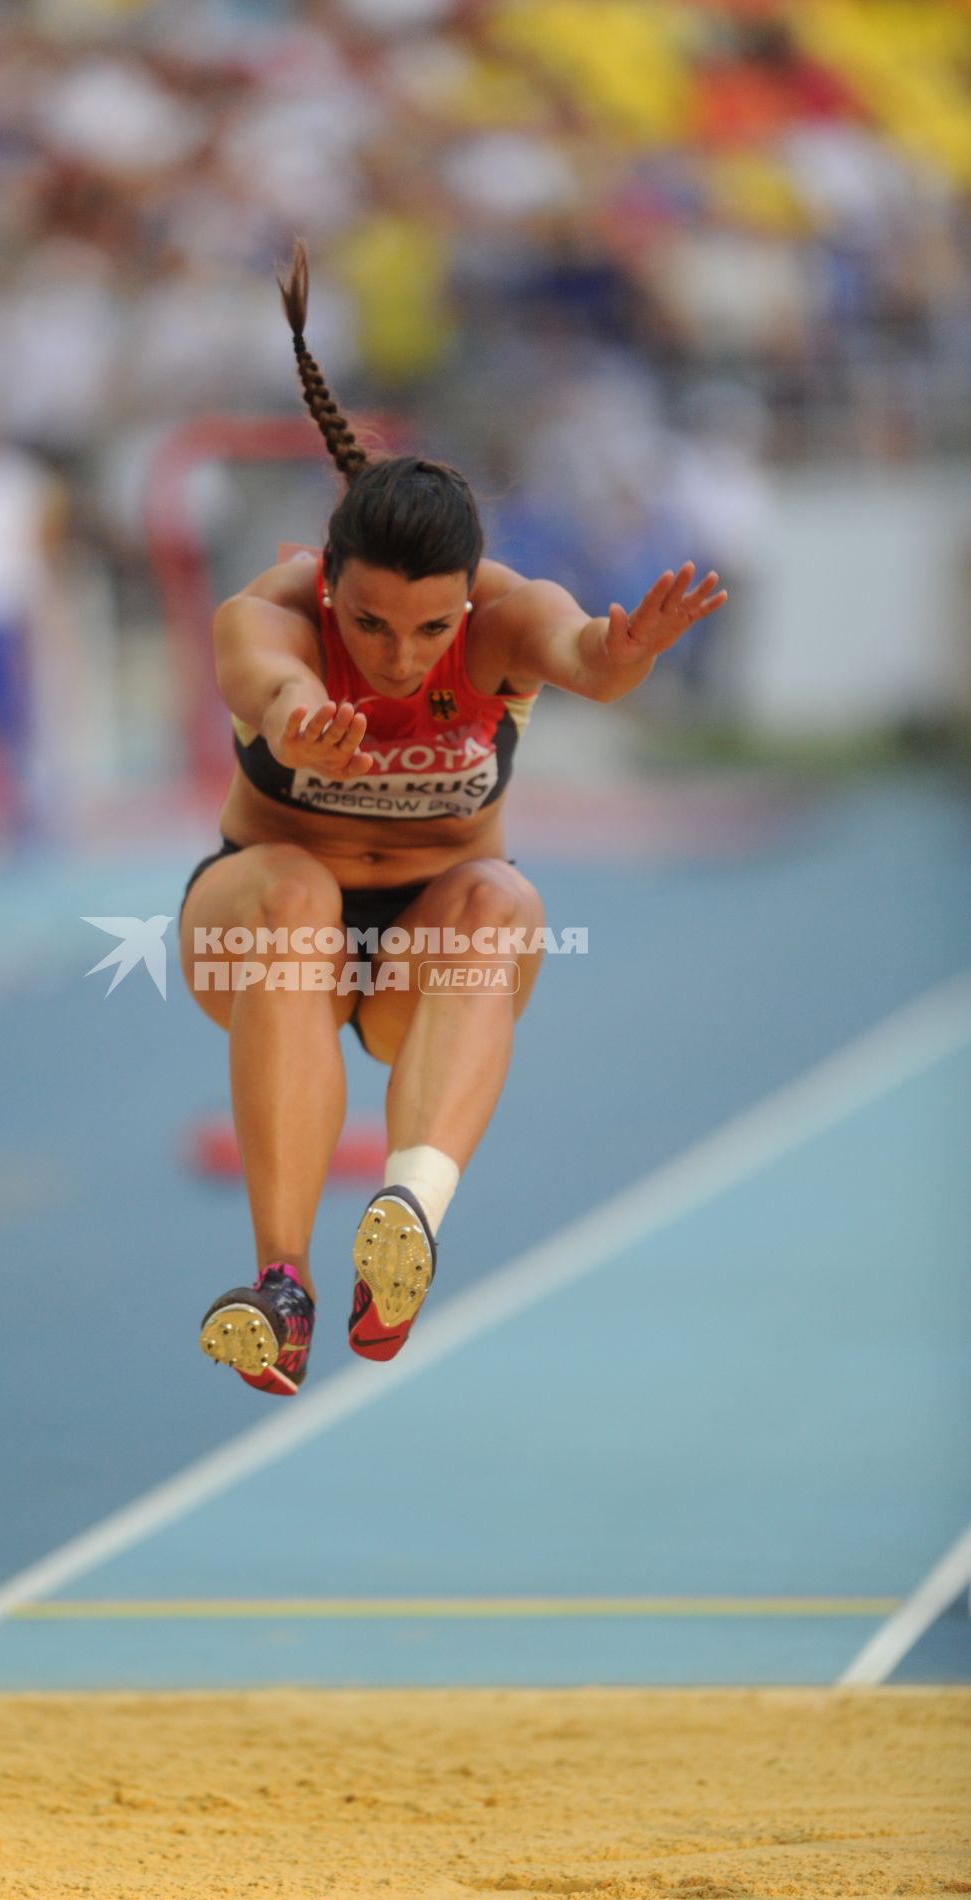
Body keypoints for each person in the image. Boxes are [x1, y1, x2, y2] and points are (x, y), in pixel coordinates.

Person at [180, 241, 726, 1398]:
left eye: (430, 631)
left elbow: (582, 652)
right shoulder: (266, 615)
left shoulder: (505, 616)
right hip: (260, 931)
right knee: (296, 888)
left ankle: (406, 1221)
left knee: (503, 896)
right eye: (371, 627)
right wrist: (297, 727)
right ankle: (280, 1288)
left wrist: (617, 657)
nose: (398, 657)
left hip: (419, 959)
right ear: (329, 587)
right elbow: (269, 690)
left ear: (468, 597)